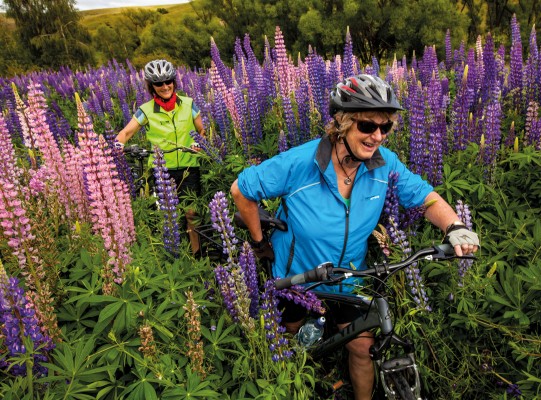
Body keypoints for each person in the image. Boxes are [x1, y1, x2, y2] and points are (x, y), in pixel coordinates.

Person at [230, 74, 479, 400]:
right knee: (291, 342)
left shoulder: (383, 164)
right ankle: (298, 384)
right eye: (366, 126)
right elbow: (241, 190)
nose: (377, 136)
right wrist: (260, 241)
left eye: (384, 127)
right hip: (297, 276)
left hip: (351, 276)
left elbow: (422, 196)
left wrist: (455, 226)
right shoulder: (301, 163)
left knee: (362, 346)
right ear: (342, 122)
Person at [115, 59, 206, 257]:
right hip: (161, 169)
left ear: (173, 82)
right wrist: (117, 144)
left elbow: (202, 130)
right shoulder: (146, 110)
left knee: (191, 213)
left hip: (189, 165)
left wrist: (199, 143)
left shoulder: (188, 104)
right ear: (152, 87)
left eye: (168, 81)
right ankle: (174, 255)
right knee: (168, 215)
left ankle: (197, 254)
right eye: (159, 84)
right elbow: (127, 132)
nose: (165, 87)